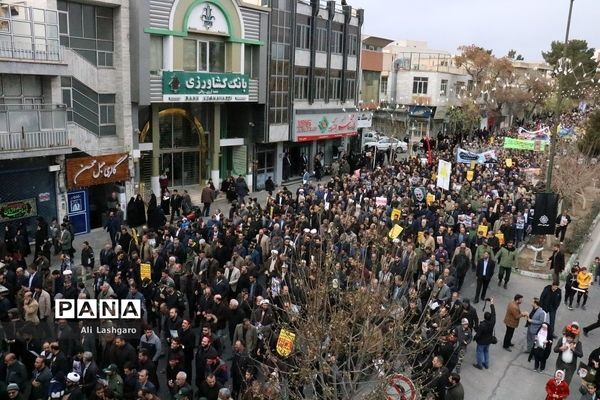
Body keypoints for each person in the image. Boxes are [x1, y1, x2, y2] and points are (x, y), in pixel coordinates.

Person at [473, 297, 495, 370]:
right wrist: (492, 303)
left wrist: (474, 338)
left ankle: (479, 365)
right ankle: (486, 364)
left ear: (484, 317)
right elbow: (493, 313)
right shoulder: (492, 322)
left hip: (481, 342)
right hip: (488, 340)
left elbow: (478, 334)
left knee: (479, 352)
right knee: (486, 352)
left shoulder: (482, 325)